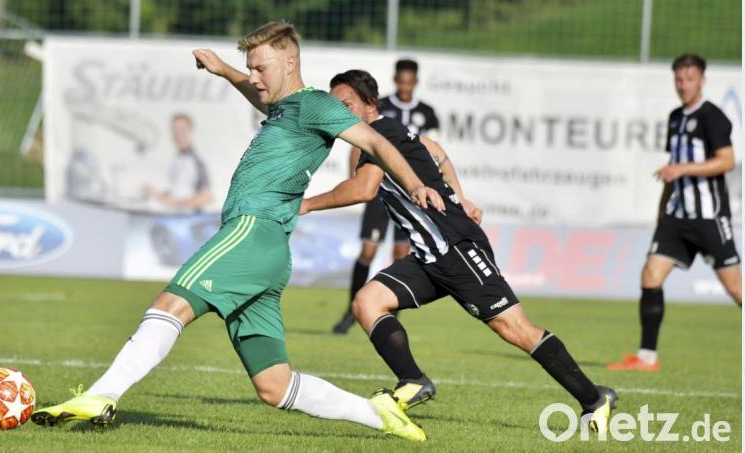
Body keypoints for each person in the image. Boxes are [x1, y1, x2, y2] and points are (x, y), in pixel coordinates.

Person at [31, 21, 447, 442]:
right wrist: (225, 70)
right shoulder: (287, 108)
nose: (254, 77)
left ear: (289, 62)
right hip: (269, 250)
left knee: (170, 303)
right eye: (250, 68)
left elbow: (375, 143)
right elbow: (259, 95)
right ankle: (379, 415)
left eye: (260, 68)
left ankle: (102, 395)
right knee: (275, 385)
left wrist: (414, 184)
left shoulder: (318, 104)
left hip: (253, 230)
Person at [301, 69, 617, 433]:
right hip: (428, 256)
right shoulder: (386, 134)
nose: (340, 112)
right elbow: (436, 151)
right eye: (335, 106)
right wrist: (459, 194)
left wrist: (306, 204)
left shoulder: (380, 133)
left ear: (371, 104)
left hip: (456, 247)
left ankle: (594, 399)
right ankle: (414, 381)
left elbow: (364, 189)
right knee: (366, 303)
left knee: (515, 328)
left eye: (347, 105)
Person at [607, 54, 741, 372]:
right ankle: (647, 357)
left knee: (736, 289)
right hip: (677, 218)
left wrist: (681, 169)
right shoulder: (675, 117)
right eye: (679, 79)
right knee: (650, 275)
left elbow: (726, 161)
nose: (683, 85)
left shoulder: (713, 117)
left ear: (702, 80)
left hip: (710, 217)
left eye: (690, 79)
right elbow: (671, 173)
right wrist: (662, 215)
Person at [332, 59, 440, 334]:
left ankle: (390, 315)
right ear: (395, 80)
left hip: (409, 195)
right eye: (400, 80)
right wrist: (357, 181)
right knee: (368, 251)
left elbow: (431, 150)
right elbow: (360, 143)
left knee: (401, 253)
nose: (404, 86)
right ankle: (350, 312)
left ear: (415, 81)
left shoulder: (426, 114)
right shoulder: (381, 108)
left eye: (408, 81)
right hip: (380, 191)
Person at [144, 114, 213, 213]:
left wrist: (175, 202)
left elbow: (207, 197)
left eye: (182, 130)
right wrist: (156, 194)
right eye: (175, 130)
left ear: (190, 131)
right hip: (173, 217)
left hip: (188, 220)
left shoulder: (197, 161)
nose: (178, 134)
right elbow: (177, 191)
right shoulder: (175, 159)